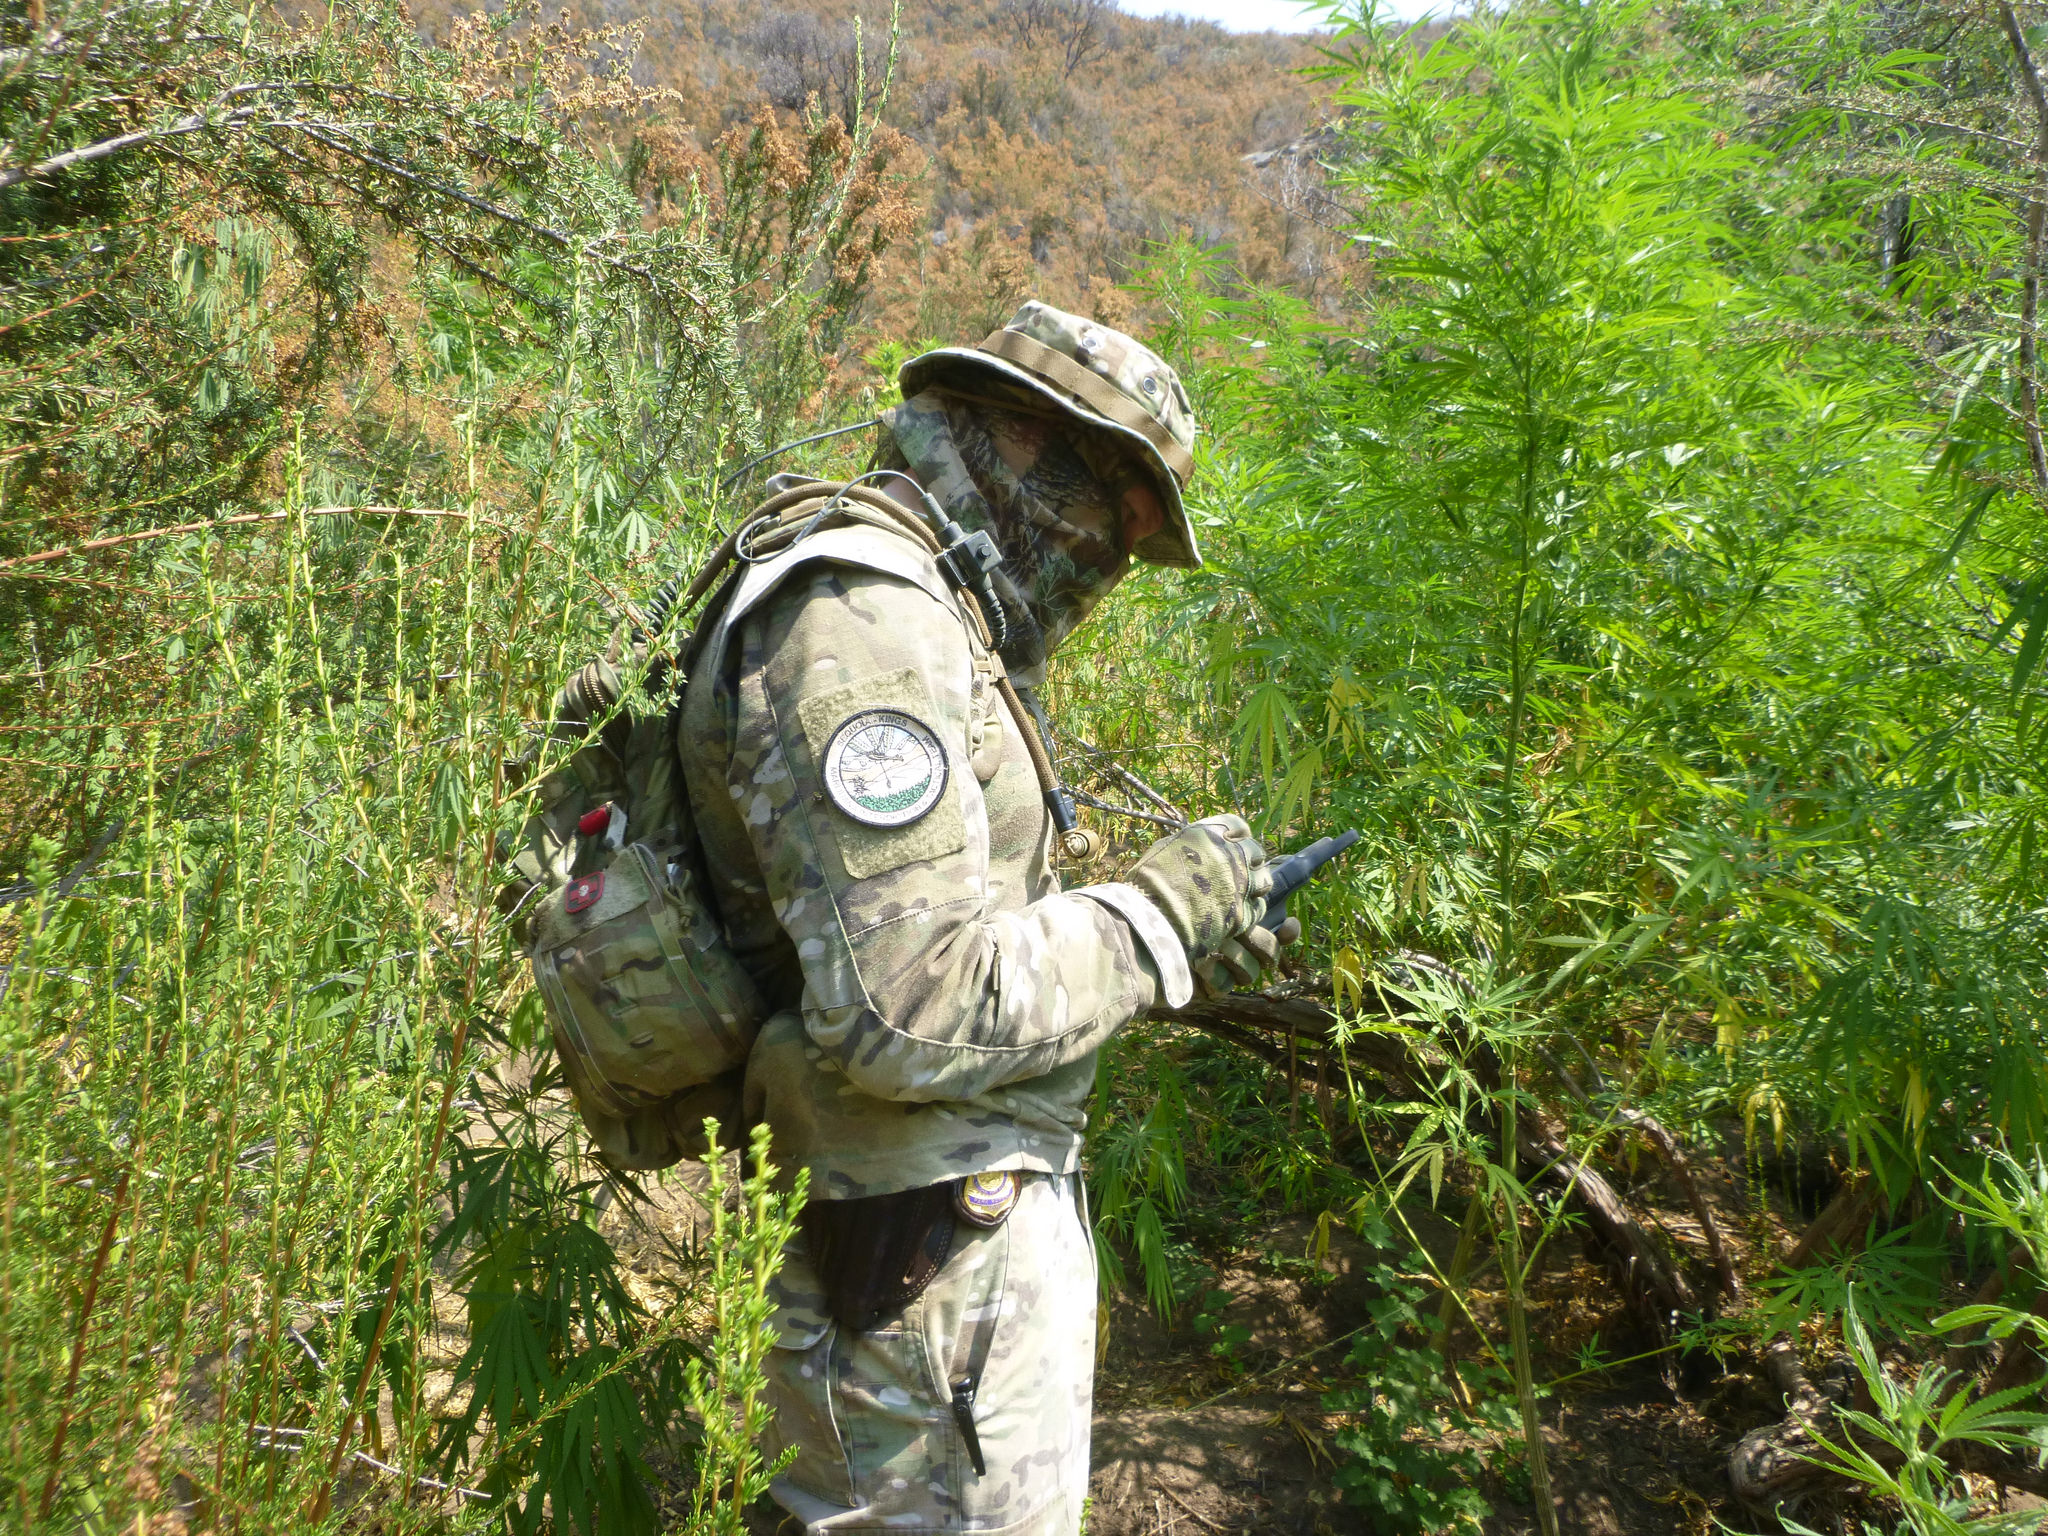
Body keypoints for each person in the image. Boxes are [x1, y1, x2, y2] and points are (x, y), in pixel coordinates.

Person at [677, 301, 1285, 1535]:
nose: (1115, 551)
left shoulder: (918, 613)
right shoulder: (865, 616)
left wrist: (1174, 952)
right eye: (1109, 497)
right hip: (917, 1277)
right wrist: (1151, 918)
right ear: (1011, 434)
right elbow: (910, 1006)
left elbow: (936, 945)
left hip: (928, 1259)